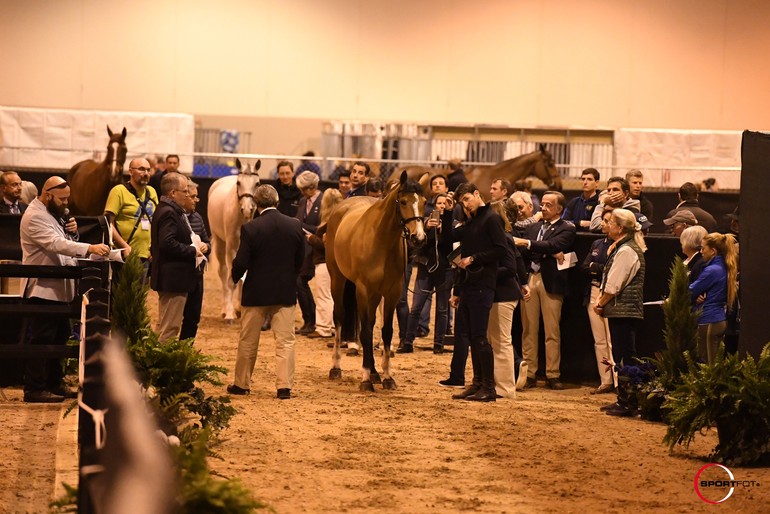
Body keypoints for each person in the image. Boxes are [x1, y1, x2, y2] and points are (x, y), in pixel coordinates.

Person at [20, 177, 110, 402]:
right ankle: (34, 387)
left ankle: (53, 383)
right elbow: (55, 244)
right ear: (48, 195)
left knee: (59, 338)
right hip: (43, 289)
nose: (67, 203)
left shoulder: (52, 213)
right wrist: (88, 246)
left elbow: (64, 240)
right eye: (63, 199)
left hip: (58, 289)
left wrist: (74, 232)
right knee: (42, 339)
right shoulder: (35, 216)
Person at [227, 185, 305, 400]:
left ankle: (242, 384)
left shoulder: (251, 228)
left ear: (256, 204)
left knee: (248, 341)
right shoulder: (294, 225)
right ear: (277, 201)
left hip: (256, 293)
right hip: (285, 292)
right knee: (286, 341)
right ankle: (284, 387)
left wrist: (234, 276)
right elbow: (300, 260)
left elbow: (241, 262)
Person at [445, 183, 508, 402]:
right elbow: (449, 236)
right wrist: (445, 213)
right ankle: (477, 383)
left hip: (483, 284)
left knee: (480, 337)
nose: (465, 205)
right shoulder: (472, 220)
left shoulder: (491, 218)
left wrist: (474, 259)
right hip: (469, 284)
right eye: (461, 202)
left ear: (476, 194)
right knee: (471, 336)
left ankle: (488, 387)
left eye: (466, 200)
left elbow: (501, 249)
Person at [513, 191, 576, 390]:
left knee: (552, 330)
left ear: (560, 209)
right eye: (543, 204)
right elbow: (525, 252)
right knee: (528, 329)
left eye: (549, 205)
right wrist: (545, 250)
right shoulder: (533, 227)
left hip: (551, 281)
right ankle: (530, 373)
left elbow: (554, 244)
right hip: (530, 278)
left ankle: (553, 374)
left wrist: (529, 244)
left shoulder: (566, 227)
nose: (543, 208)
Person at [594, 209, 646, 417]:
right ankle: (625, 399)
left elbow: (614, 285)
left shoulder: (626, 251)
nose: (606, 225)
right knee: (623, 354)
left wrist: (601, 303)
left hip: (623, 310)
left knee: (625, 356)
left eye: (611, 222)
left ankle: (628, 401)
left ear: (620, 228)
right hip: (623, 309)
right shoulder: (624, 248)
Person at [398, 193, 453, 355]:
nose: (442, 206)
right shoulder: (423, 223)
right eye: (439, 203)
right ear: (434, 206)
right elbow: (418, 245)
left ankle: (438, 344)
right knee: (416, 307)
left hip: (445, 271)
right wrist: (428, 229)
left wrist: (445, 228)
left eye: (445, 203)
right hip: (425, 268)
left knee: (443, 309)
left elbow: (452, 245)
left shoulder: (453, 223)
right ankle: (408, 342)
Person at [150, 172, 203, 341]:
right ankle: (163, 366)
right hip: (173, 280)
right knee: (169, 328)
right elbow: (167, 243)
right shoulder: (168, 213)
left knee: (167, 326)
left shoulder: (170, 210)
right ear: (173, 193)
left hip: (174, 279)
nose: (187, 195)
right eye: (185, 192)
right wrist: (192, 250)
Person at [487, 201, 530, 398]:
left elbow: (511, 267)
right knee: (496, 340)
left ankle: (505, 388)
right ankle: (497, 384)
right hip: (499, 293)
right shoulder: (501, 237)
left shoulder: (504, 237)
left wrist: (485, 272)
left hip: (504, 295)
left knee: (502, 341)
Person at [689, 233, 738, 364]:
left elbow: (691, 291)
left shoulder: (712, 270)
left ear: (713, 251)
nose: (701, 251)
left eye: (703, 248)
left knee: (709, 368)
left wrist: (672, 300)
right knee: (712, 365)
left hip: (709, 321)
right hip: (716, 319)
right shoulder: (722, 267)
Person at [104, 157, 159, 272]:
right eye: (142, 169)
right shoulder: (119, 191)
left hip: (147, 255)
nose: (146, 173)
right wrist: (124, 246)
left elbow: (156, 222)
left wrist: (154, 248)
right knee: (124, 289)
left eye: (149, 170)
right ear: (130, 171)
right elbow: (108, 222)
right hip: (125, 254)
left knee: (141, 290)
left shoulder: (152, 192)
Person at [582, 209, 615, 394]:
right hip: (594, 290)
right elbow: (585, 267)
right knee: (599, 340)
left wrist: (597, 267)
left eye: (607, 221)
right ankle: (606, 380)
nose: (602, 223)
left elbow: (610, 271)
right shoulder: (597, 243)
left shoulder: (620, 246)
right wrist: (597, 268)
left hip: (610, 294)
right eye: (602, 220)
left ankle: (619, 381)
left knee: (612, 340)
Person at [307, 189, 344, 340]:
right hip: (338, 264)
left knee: (324, 296)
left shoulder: (329, 224)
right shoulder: (341, 221)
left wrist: (311, 239)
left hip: (324, 262)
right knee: (335, 296)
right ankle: (335, 326)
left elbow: (327, 246)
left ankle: (323, 328)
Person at [179, 180, 211, 341]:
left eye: (197, 197)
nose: (195, 200)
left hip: (197, 275)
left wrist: (206, 246)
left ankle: (186, 350)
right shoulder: (175, 217)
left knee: (193, 318)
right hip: (180, 273)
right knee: (174, 318)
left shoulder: (197, 217)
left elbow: (207, 240)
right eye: (192, 197)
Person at [295, 171, 323, 335]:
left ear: (313, 187)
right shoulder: (302, 202)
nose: (302, 192)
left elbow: (323, 226)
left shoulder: (324, 200)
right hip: (304, 248)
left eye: (305, 189)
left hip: (318, 248)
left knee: (301, 282)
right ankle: (309, 320)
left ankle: (313, 319)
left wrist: (303, 227)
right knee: (299, 282)